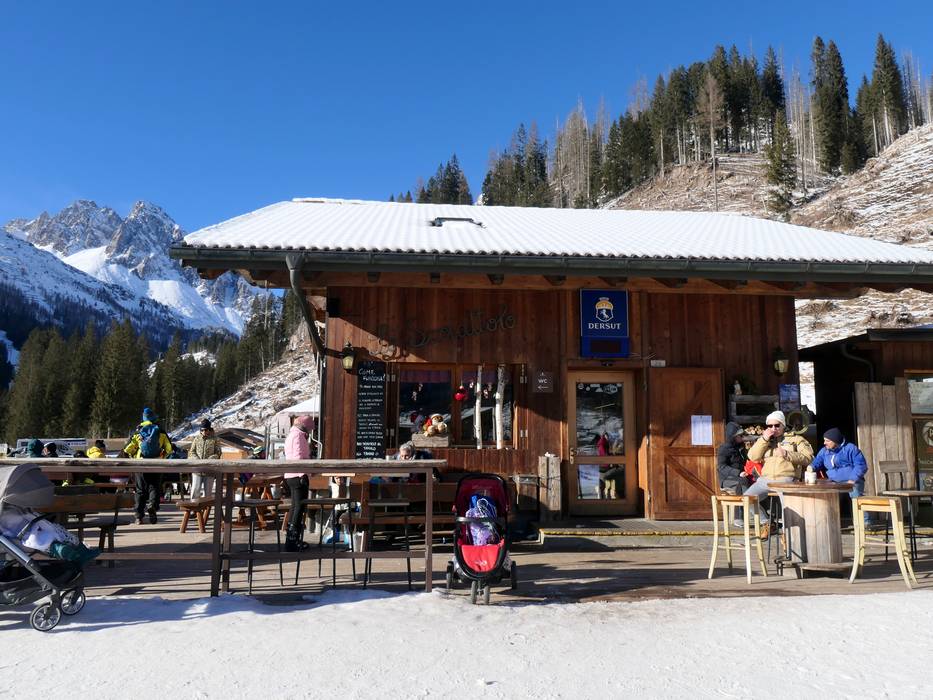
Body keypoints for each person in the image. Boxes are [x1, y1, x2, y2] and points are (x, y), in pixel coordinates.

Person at [744, 410, 814, 535]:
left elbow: (809, 458)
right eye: (770, 426)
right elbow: (752, 457)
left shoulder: (796, 439)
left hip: (786, 479)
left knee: (787, 506)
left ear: (783, 425)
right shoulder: (764, 440)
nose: (773, 428)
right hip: (765, 479)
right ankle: (767, 523)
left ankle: (788, 535)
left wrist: (787, 454)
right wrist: (764, 439)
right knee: (746, 499)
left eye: (777, 425)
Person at [123, 407, 173, 525]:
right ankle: (152, 507)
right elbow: (169, 449)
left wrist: (133, 455)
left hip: (140, 464)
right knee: (154, 487)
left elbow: (127, 449)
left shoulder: (138, 431)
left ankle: (139, 516)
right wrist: (163, 457)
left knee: (140, 490)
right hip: (156, 464)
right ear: (153, 417)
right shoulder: (160, 431)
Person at [811, 427, 869, 523]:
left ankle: (864, 523)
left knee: (856, 496)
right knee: (828, 498)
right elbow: (817, 461)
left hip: (852, 480)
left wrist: (853, 479)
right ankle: (833, 523)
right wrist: (811, 467)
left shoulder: (850, 448)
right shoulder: (825, 451)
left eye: (827, 441)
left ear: (835, 440)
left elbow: (861, 465)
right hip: (833, 481)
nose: (824, 443)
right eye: (824, 440)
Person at [283, 415, 314, 552]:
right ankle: (292, 541)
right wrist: (303, 474)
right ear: (305, 426)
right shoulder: (298, 436)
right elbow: (298, 457)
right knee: (298, 508)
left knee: (295, 507)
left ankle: (291, 540)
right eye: (309, 428)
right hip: (298, 475)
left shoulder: (293, 434)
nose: (310, 430)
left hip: (292, 475)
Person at [188, 418, 222, 499]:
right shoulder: (197, 438)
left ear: (209, 429)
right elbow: (191, 452)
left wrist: (210, 460)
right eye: (202, 430)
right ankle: (194, 506)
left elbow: (218, 453)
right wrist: (197, 460)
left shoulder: (215, 439)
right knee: (195, 491)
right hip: (197, 469)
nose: (204, 432)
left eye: (206, 430)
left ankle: (207, 506)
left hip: (209, 469)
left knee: (208, 493)